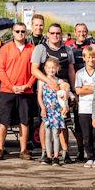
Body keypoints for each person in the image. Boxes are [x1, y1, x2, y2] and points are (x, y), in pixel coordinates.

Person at [31, 23, 79, 162]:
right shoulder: (41, 48)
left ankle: (64, 152)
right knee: (44, 121)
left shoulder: (67, 49)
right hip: (46, 89)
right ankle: (45, 152)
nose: (55, 36)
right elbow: (34, 69)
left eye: (58, 33)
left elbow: (70, 70)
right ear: (48, 34)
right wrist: (49, 81)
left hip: (62, 89)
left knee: (63, 121)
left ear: (61, 34)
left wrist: (73, 90)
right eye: (52, 33)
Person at [0, 22, 36, 160]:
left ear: (26, 32)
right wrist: (12, 86)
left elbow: (35, 71)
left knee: (24, 121)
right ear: (12, 32)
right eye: (17, 31)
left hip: (26, 91)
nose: (20, 34)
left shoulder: (32, 49)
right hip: (7, 90)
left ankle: (23, 150)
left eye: (23, 31)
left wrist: (27, 86)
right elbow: (1, 70)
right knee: (4, 121)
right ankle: (0, 148)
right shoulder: (5, 48)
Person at [37, 58, 71, 166]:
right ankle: (48, 155)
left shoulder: (59, 81)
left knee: (56, 133)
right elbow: (39, 96)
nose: (51, 70)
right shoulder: (42, 81)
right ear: (45, 69)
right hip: (47, 110)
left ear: (57, 69)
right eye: (49, 67)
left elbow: (65, 90)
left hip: (56, 111)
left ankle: (56, 156)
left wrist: (65, 101)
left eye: (53, 68)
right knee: (47, 134)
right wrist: (42, 108)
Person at [75, 46, 95, 167]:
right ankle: (89, 156)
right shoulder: (80, 73)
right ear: (84, 58)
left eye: (93, 57)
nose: (91, 60)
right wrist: (93, 88)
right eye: (88, 57)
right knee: (86, 135)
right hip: (84, 108)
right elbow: (78, 91)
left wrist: (87, 87)